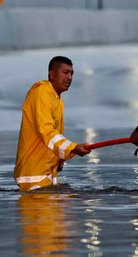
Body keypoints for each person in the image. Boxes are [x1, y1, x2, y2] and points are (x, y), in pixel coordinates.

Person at [14, 56, 90, 191]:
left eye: (72, 73)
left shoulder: (56, 99)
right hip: (34, 175)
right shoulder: (41, 94)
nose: (70, 77)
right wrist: (72, 148)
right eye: (65, 72)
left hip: (45, 172)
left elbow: (53, 136)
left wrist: (60, 159)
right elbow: (46, 132)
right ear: (52, 74)